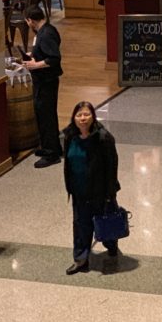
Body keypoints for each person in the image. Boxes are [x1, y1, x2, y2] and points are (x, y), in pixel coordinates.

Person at [62, 101, 121, 274]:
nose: (83, 118)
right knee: (81, 225)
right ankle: (81, 259)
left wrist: (110, 193)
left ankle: (111, 245)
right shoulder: (69, 137)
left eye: (86, 114)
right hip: (79, 191)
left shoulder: (104, 138)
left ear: (93, 117)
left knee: (105, 222)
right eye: (79, 115)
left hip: (100, 191)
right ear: (74, 118)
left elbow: (112, 165)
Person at [22, 8, 63, 168]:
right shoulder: (47, 30)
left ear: (30, 20)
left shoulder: (45, 35)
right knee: (46, 115)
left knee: (46, 117)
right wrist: (34, 56)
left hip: (47, 81)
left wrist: (34, 64)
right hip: (45, 81)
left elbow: (54, 59)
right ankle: (51, 147)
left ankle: (51, 153)